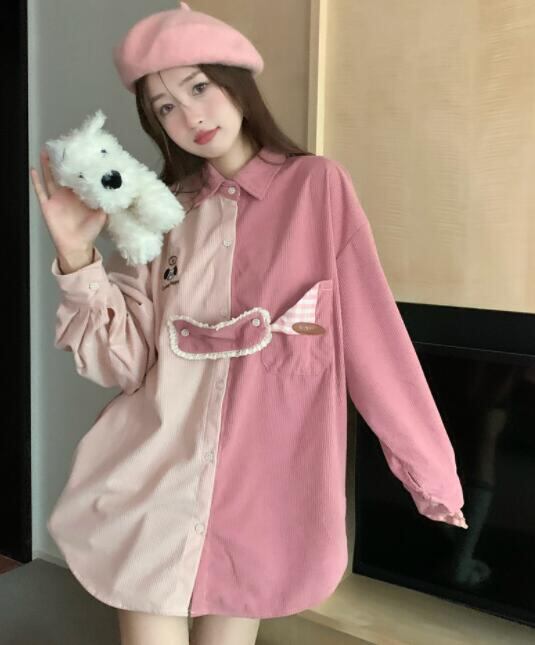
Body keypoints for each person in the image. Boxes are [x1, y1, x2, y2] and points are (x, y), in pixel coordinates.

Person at [29, 3, 468, 645]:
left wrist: (429, 471)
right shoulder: (163, 213)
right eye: (165, 107)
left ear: (235, 83)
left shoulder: (317, 188)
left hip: (264, 496)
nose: (189, 116)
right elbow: (123, 364)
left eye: (198, 87)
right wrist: (76, 256)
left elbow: (375, 339)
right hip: (157, 480)